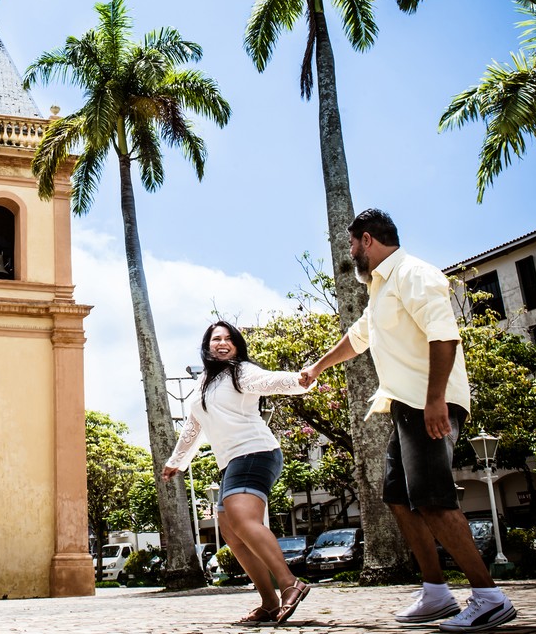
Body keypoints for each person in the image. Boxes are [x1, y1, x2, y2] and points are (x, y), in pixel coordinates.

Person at [300, 209, 516, 632]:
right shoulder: (381, 289)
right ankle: (436, 592)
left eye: (350, 245)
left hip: (427, 402)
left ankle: (489, 597)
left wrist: (435, 399)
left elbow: (444, 335)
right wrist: (318, 368)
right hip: (403, 404)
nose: (350, 253)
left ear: (367, 240)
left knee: (433, 499)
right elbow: (358, 337)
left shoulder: (414, 274)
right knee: (399, 497)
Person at [161, 321, 312, 626]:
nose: (222, 342)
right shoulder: (203, 383)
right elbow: (195, 425)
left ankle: (289, 583)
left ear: (237, 346)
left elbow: (270, 381)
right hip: (233, 461)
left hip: (255, 451)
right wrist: (177, 460)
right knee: (230, 529)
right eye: (216, 338)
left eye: (229, 339)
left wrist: (300, 381)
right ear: (207, 346)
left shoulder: (241, 371)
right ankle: (269, 603)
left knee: (242, 519)